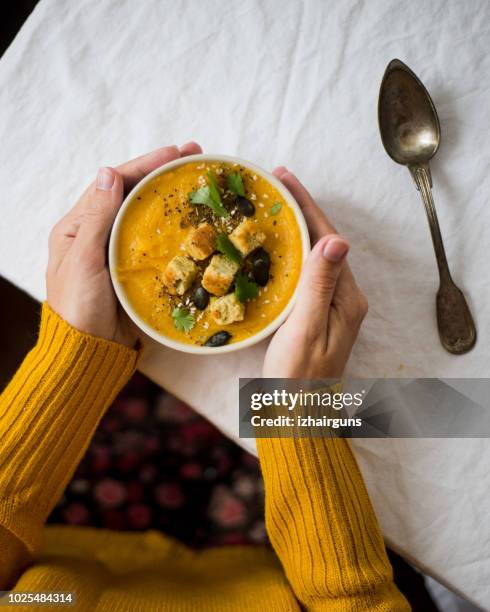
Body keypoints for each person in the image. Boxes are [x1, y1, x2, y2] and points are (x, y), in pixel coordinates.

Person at [0, 142, 410, 611]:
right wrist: (295, 408)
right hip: (292, 549)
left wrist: (75, 360)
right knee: (422, 412)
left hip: (73, 516)